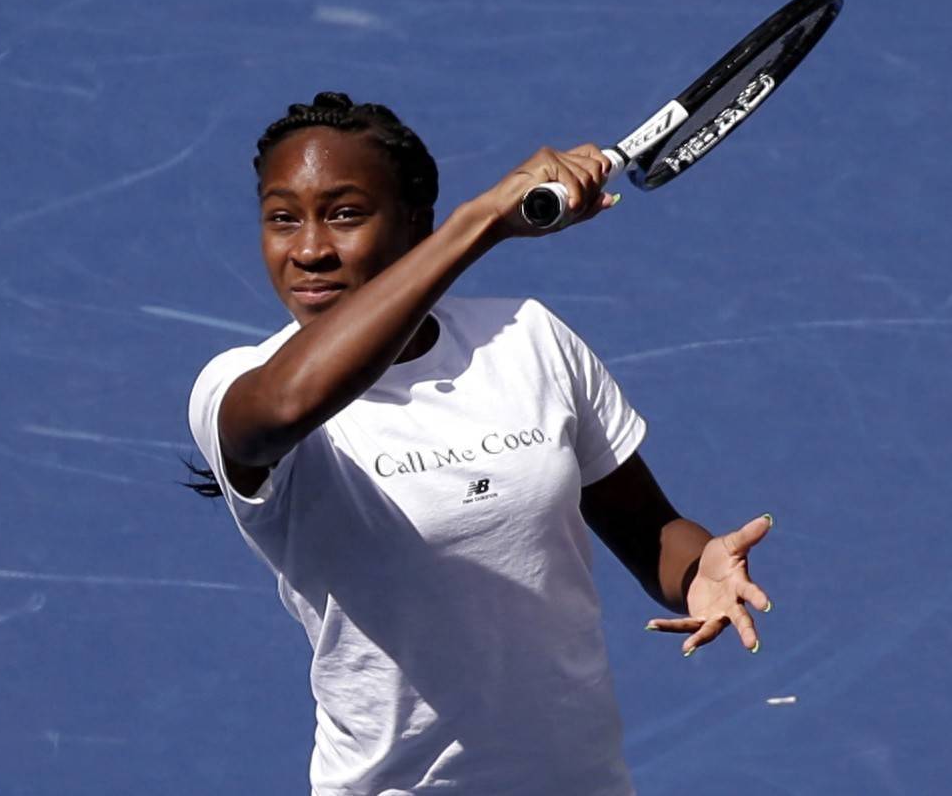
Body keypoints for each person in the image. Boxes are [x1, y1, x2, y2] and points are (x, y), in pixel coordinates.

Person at [186, 92, 774, 795]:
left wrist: (699, 568)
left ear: (415, 223)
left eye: (344, 214)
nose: (309, 249)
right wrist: (484, 219)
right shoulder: (237, 385)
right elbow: (286, 406)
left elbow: (650, 530)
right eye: (283, 218)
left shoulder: (529, 338)